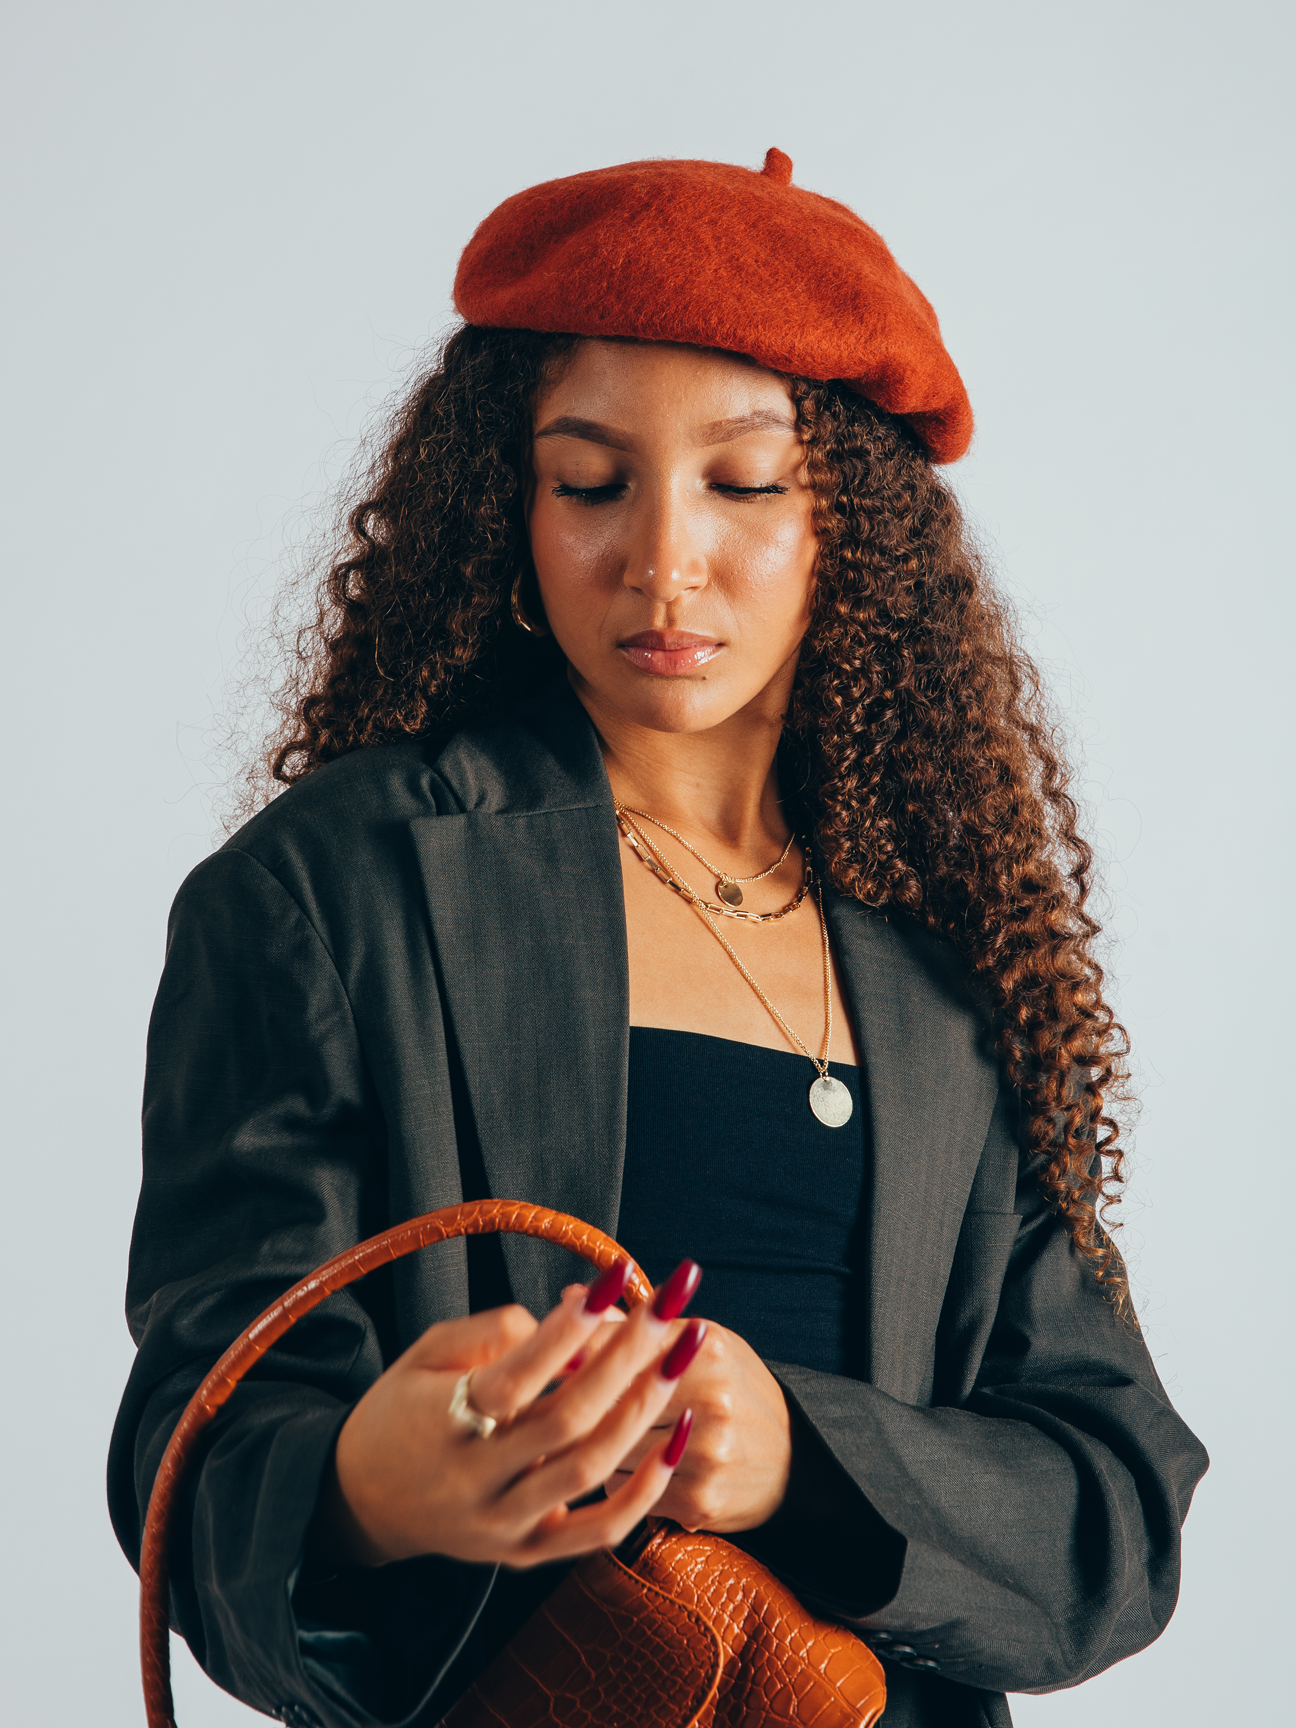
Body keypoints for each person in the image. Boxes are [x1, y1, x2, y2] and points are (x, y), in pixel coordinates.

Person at [109, 150, 1208, 1728]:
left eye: (743, 483)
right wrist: (378, 1482)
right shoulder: (332, 891)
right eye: (590, 480)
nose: (662, 559)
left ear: (857, 521)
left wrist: (793, 1454)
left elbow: (1112, 1516)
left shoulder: (944, 963)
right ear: (507, 502)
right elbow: (191, 1462)